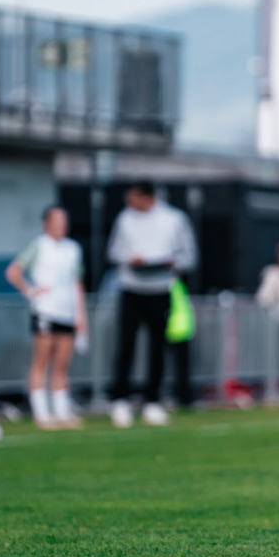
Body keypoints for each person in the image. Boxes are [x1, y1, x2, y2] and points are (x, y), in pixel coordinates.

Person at [104, 181, 197, 427]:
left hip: (160, 289)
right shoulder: (124, 220)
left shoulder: (174, 219)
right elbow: (113, 252)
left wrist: (170, 263)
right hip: (131, 288)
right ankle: (120, 399)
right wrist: (130, 259)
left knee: (158, 347)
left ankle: (152, 401)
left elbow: (188, 257)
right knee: (126, 344)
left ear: (147, 197)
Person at [6, 206, 87, 429]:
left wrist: (81, 316)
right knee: (42, 359)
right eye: (56, 220)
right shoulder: (39, 245)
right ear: (46, 223)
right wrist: (30, 290)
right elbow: (13, 271)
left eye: (64, 220)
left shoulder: (73, 249)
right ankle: (41, 411)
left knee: (62, 363)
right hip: (45, 309)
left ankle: (61, 410)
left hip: (67, 312)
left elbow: (76, 283)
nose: (61, 224)